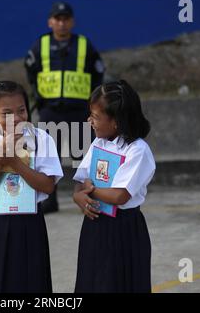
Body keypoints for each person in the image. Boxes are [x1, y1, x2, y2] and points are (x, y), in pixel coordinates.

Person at [0, 81, 63, 292]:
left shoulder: (41, 139)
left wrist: (16, 162)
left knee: (30, 279)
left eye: (22, 110)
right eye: (7, 113)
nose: (17, 118)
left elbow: (47, 186)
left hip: (30, 222)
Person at [72, 80, 155, 292]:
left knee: (120, 283)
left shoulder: (137, 151)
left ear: (117, 121)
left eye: (96, 117)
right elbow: (80, 179)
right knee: (92, 280)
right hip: (95, 224)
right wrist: (78, 197)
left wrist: (90, 191)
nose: (90, 121)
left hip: (123, 229)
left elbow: (120, 196)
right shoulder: (99, 142)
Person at [25, 1, 105, 213]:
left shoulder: (84, 45)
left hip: (80, 110)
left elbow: (98, 73)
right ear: (50, 22)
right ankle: (49, 201)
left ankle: (87, 197)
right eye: (57, 19)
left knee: (83, 158)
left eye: (65, 19)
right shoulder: (40, 45)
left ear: (72, 22)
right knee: (48, 158)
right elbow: (31, 71)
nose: (62, 23)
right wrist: (39, 95)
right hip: (50, 110)